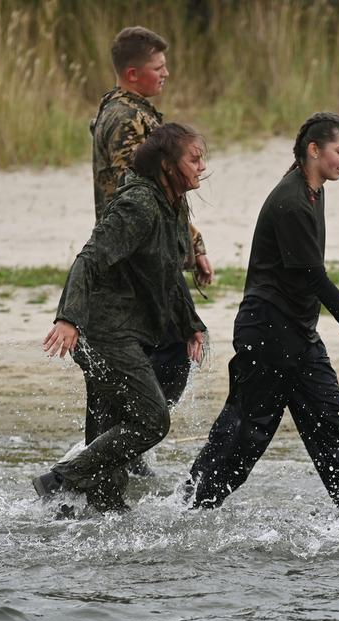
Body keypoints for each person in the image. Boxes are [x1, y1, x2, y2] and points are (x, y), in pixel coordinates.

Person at [187, 112, 339, 509]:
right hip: (267, 333)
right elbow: (316, 279)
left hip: (298, 334)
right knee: (249, 432)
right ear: (313, 151)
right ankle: (190, 506)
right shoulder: (292, 202)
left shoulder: (314, 186)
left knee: (331, 421)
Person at [33, 123, 208, 512]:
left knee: (106, 450)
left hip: (123, 331)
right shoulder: (139, 205)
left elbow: (168, 273)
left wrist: (191, 325)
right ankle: (60, 480)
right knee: (151, 420)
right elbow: (89, 258)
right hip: (103, 333)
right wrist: (68, 319)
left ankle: (96, 506)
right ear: (166, 165)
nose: (202, 167)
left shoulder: (173, 203)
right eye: (194, 159)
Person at [90, 26, 214, 474]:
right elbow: (149, 188)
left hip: (140, 251)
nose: (166, 73)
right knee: (170, 351)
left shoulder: (126, 109)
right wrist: (190, 244)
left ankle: (114, 454)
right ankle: (124, 444)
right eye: (158, 67)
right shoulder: (127, 119)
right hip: (136, 254)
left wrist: (191, 243)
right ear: (132, 72)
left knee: (143, 361)